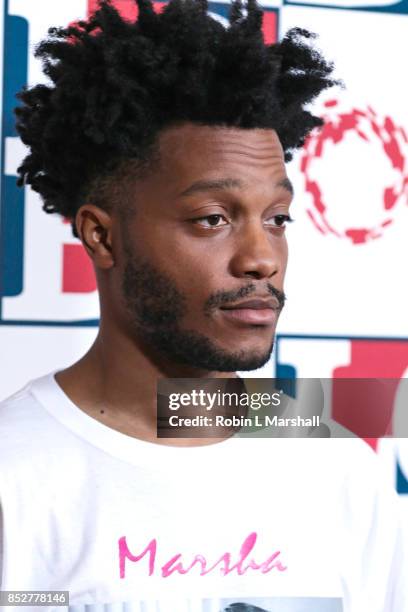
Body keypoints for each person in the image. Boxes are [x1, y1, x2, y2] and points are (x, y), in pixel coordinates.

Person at [0, 0, 406, 610]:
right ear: (102, 236)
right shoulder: (14, 474)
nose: (260, 258)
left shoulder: (341, 464)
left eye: (276, 219)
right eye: (212, 219)